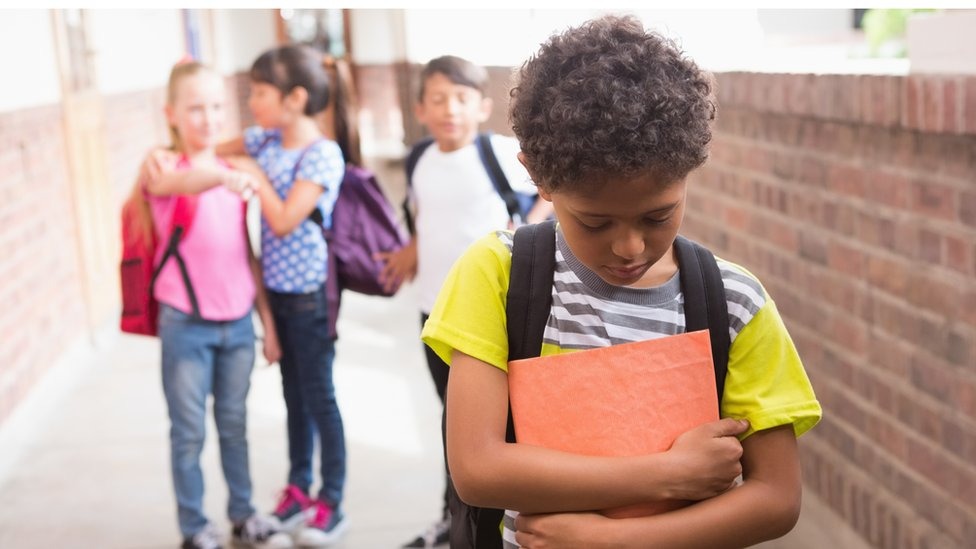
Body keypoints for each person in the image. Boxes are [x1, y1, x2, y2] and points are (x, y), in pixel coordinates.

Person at [420, 14, 822, 549]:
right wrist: (668, 473)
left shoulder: (734, 303)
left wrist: (612, 540)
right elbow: (476, 469)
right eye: (595, 222)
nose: (630, 247)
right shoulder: (498, 273)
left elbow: (776, 497)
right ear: (537, 177)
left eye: (658, 215)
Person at [150, 45, 349, 548]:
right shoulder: (259, 142)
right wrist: (179, 153)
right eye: (199, 107)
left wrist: (245, 174)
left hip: (305, 298)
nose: (247, 103)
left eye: (258, 93)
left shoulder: (319, 153)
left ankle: (328, 499)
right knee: (281, 402)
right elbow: (207, 155)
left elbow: (275, 224)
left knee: (314, 399)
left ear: (293, 98)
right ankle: (290, 492)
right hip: (243, 305)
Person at [375, 55, 553, 548]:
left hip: (490, 319)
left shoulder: (499, 154)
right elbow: (424, 217)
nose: (450, 109)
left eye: (461, 98)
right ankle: (454, 520)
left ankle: (494, 519)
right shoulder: (419, 159)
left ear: (482, 107)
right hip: (434, 313)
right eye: (438, 99)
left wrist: (527, 227)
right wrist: (410, 252)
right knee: (452, 422)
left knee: (492, 427)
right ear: (421, 109)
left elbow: (550, 191)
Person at [136, 60, 284, 549]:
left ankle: (243, 513)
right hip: (186, 324)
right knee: (188, 432)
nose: (209, 117)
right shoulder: (163, 170)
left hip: (237, 323)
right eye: (196, 108)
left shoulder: (233, 173)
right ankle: (195, 526)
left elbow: (246, 253)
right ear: (171, 114)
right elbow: (182, 185)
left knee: (234, 425)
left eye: (217, 106)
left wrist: (267, 323)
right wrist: (222, 177)